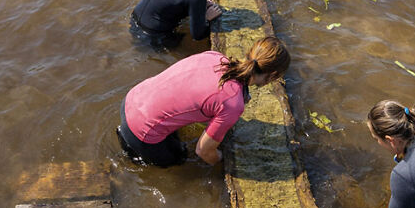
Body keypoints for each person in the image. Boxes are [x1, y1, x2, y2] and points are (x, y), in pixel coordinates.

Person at [117, 36, 290, 167]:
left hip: (131, 99)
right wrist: (222, 161)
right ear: (273, 76)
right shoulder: (233, 104)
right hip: (141, 131)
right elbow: (203, 151)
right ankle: (136, 151)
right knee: (178, 160)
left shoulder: (215, 57)